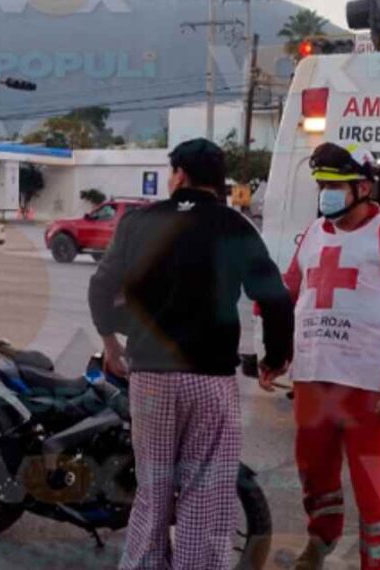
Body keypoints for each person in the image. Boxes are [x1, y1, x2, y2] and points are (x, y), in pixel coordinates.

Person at [88, 138, 294, 569]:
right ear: (218, 181)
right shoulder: (234, 226)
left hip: (150, 378)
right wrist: (275, 358)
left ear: (179, 175)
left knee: (152, 491)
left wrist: (110, 344)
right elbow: (275, 298)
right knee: (205, 493)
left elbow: (101, 287)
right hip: (209, 379)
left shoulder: (138, 222)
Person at [265, 142, 380, 570]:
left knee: (371, 485)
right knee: (314, 472)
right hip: (313, 379)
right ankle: (320, 542)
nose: (326, 193)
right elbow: (291, 294)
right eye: (322, 185)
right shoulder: (313, 233)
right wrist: (276, 353)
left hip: (367, 385)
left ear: (363, 188)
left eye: (335, 186)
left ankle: (378, 565)